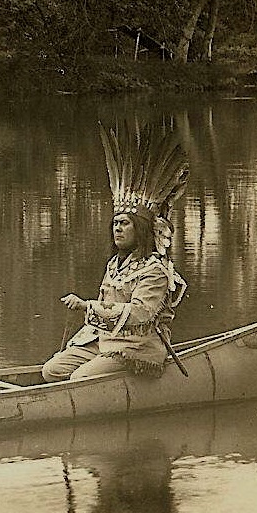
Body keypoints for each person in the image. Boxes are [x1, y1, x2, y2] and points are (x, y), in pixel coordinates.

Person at [42, 123, 188, 382]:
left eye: (125, 224)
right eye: (115, 224)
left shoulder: (155, 270)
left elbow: (140, 313)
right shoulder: (115, 265)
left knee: (79, 380)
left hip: (137, 347)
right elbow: (102, 313)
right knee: (52, 370)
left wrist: (88, 306)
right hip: (105, 341)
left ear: (141, 230)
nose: (117, 229)